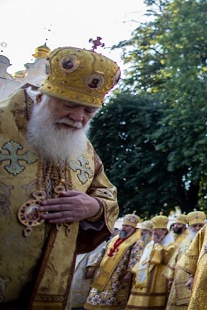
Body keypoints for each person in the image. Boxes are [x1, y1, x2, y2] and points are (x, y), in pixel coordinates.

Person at [0, 46, 121, 309]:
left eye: (89, 111)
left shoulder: (85, 150)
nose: (78, 118)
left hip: (48, 289)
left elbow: (107, 195)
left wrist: (93, 207)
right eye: (69, 104)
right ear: (43, 96)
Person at [84, 213, 144, 309]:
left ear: (133, 228)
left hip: (119, 276)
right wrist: (93, 267)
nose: (124, 228)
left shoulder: (137, 241)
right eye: (123, 225)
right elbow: (102, 252)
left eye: (127, 226)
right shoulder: (115, 239)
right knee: (95, 297)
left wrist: (129, 273)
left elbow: (136, 258)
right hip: (102, 272)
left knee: (112, 300)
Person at [127, 214, 175, 309]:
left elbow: (162, 259)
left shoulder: (172, 244)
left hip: (158, 277)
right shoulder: (151, 243)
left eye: (156, 230)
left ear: (164, 230)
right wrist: (133, 271)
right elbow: (143, 259)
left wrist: (157, 244)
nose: (154, 232)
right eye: (153, 229)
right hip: (144, 276)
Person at [163, 210, 206, 310]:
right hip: (179, 279)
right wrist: (170, 277)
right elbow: (175, 259)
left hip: (198, 279)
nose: (197, 228)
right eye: (194, 226)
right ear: (189, 227)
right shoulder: (185, 241)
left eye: (200, 225)